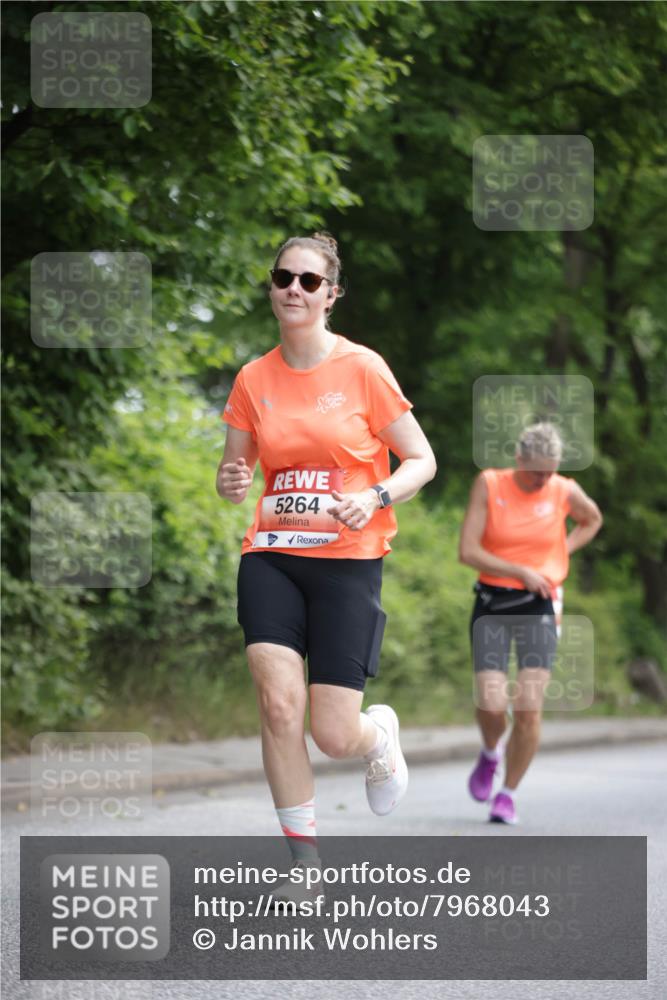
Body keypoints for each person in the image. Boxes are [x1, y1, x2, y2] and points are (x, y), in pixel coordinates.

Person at [217, 232, 436, 886]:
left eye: (309, 281)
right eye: (284, 277)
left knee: (333, 734)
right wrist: (230, 480)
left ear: (331, 294)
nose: (294, 289)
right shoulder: (253, 378)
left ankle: (377, 740)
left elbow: (421, 460)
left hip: (348, 560)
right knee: (278, 704)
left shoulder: (362, 368)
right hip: (273, 557)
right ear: (271, 287)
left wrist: (374, 495)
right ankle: (303, 864)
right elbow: (236, 468)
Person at [458, 422, 602, 824]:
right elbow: (467, 550)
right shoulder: (489, 484)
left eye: (551, 471)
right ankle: (490, 754)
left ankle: (508, 794)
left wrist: (561, 554)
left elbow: (591, 519)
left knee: (529, 708)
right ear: (519, 459)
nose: (544, 479)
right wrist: (520, 570)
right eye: (537, 471)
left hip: (539, 605)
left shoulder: (563, 489)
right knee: (491, 702)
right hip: (493, 602)